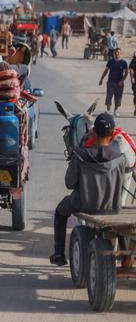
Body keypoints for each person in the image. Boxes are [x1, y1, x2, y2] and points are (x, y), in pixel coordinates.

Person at [49, 112, 126, 266]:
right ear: (112, 136)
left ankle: (59, 254)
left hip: (84, 204)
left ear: (93, 132)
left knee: (60, 211)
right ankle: (126, 254)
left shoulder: (80, 155)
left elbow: (69, 183)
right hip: (113, 207)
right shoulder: (120, 157)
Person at [100, 48, 128, 115]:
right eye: (115, 52)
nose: (117, 53)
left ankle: (115, 111)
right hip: (111, 82)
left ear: (120, 53)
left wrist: (122, 81)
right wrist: (101, 79)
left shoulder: (124, 62)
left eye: (118, 52)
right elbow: (106, 71)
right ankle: (109, 111)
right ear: (113, 53)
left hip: (119, 84)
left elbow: (126, 73)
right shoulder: (110, 61)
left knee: (118, 98)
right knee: (109, 96)